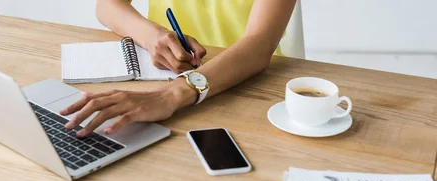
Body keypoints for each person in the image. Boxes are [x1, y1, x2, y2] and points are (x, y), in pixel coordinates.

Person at [62, 0, 297, 138]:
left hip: (249, 87)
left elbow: (259, 44)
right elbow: (107, 6)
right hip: (160, 76)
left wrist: (171, 94)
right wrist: (153, 37)